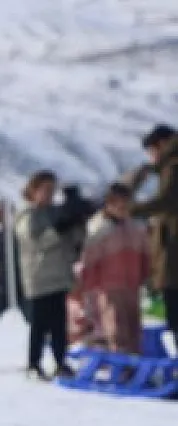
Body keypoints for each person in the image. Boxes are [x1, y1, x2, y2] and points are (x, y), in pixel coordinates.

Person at [14, 170, 95, 378]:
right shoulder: (27, 215)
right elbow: (36, 242)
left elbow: (74, 242)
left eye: (52, 190)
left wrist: (78, 220)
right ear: (33, 191)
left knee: (59, 325)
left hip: (60, 276)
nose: (50, 195)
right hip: (39, 277)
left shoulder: (55, 212)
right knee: (39, 325)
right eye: (45, 190)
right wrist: (59, 228)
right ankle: (34, 363)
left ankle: (60, 361)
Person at [75, 183, 149, 353]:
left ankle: (134, 361)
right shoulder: (100, 228)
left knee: (133, 324)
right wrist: (88, 283)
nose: (122, 209)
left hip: (131, 282)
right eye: (119, 205)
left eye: (126, 205)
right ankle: (119, 363)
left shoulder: (134, 228)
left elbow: (145, 252)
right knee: (115, 325)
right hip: (107, 285)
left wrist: (145, 274)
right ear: (109, 204)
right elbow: (89, 258)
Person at [128, 124, 178, 340]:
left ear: (161, 145)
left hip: (174, 249)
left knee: (175, 311)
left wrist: (133, 209)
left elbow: (167, 201)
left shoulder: (173, 167)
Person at [0, 201, 27, 322]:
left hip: (18, 283)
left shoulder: (15, 234)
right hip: (6, 283)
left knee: (31, 315)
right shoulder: (3, 234)